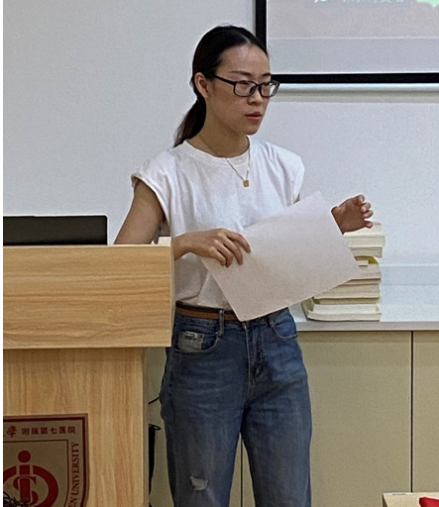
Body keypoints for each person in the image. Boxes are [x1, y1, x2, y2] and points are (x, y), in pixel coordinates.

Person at [115, 25, 373, 507]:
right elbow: (120, 262)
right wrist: (183, 243)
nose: (257, 99)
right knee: (202, 496)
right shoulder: (167, 172)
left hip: (277, 340)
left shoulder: (284, 165)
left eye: (265, 85)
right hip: (202, 346)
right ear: (203, 84)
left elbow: (285, 258)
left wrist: (333, 224)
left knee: (289, 496)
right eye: (242, 85)